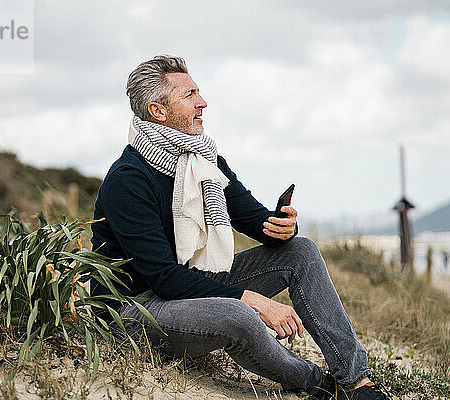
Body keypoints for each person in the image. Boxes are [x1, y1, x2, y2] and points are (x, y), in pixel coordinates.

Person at [90, 55, 389, 400]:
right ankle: (317, 384)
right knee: (238, 313)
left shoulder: (203, 160)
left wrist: (281, 227)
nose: (203, 102)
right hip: (135, 309)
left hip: (191, 285)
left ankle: (356, 382)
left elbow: (254, 221)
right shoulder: (129, 180)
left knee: (301, 251)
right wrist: (255, 301)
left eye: (198, 92)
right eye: (189, 95)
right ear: (158, 111)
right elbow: (163, 278)